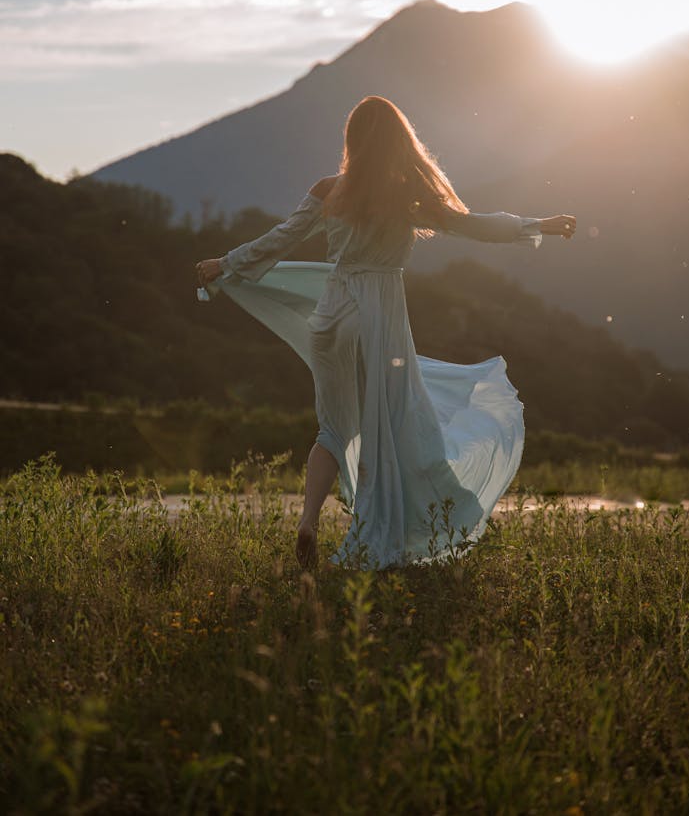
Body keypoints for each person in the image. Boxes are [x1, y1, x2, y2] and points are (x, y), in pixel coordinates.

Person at [196, 95, 576, 569]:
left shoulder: (328, 190)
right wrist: (535, 224)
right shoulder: (406, 196)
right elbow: (471, 226)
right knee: (392, 424)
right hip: (376, 316)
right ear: (400, 142)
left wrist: (225, 263)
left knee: (334, 428)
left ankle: (309, 519)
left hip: (331, 314)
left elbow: (280, 239)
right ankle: (395, 528)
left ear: (352, 139)